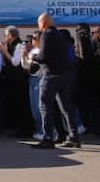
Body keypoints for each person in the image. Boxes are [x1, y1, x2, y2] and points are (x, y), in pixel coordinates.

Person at [31, 13, 80, 149]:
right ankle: (73, 136)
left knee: (45, 106)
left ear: (42, 23)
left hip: (51, 76)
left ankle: (48, 138)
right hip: (65, 75)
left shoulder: (46, 34)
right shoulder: (60, 35)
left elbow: (44, 57)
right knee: (66, 107)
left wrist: (34, 56)